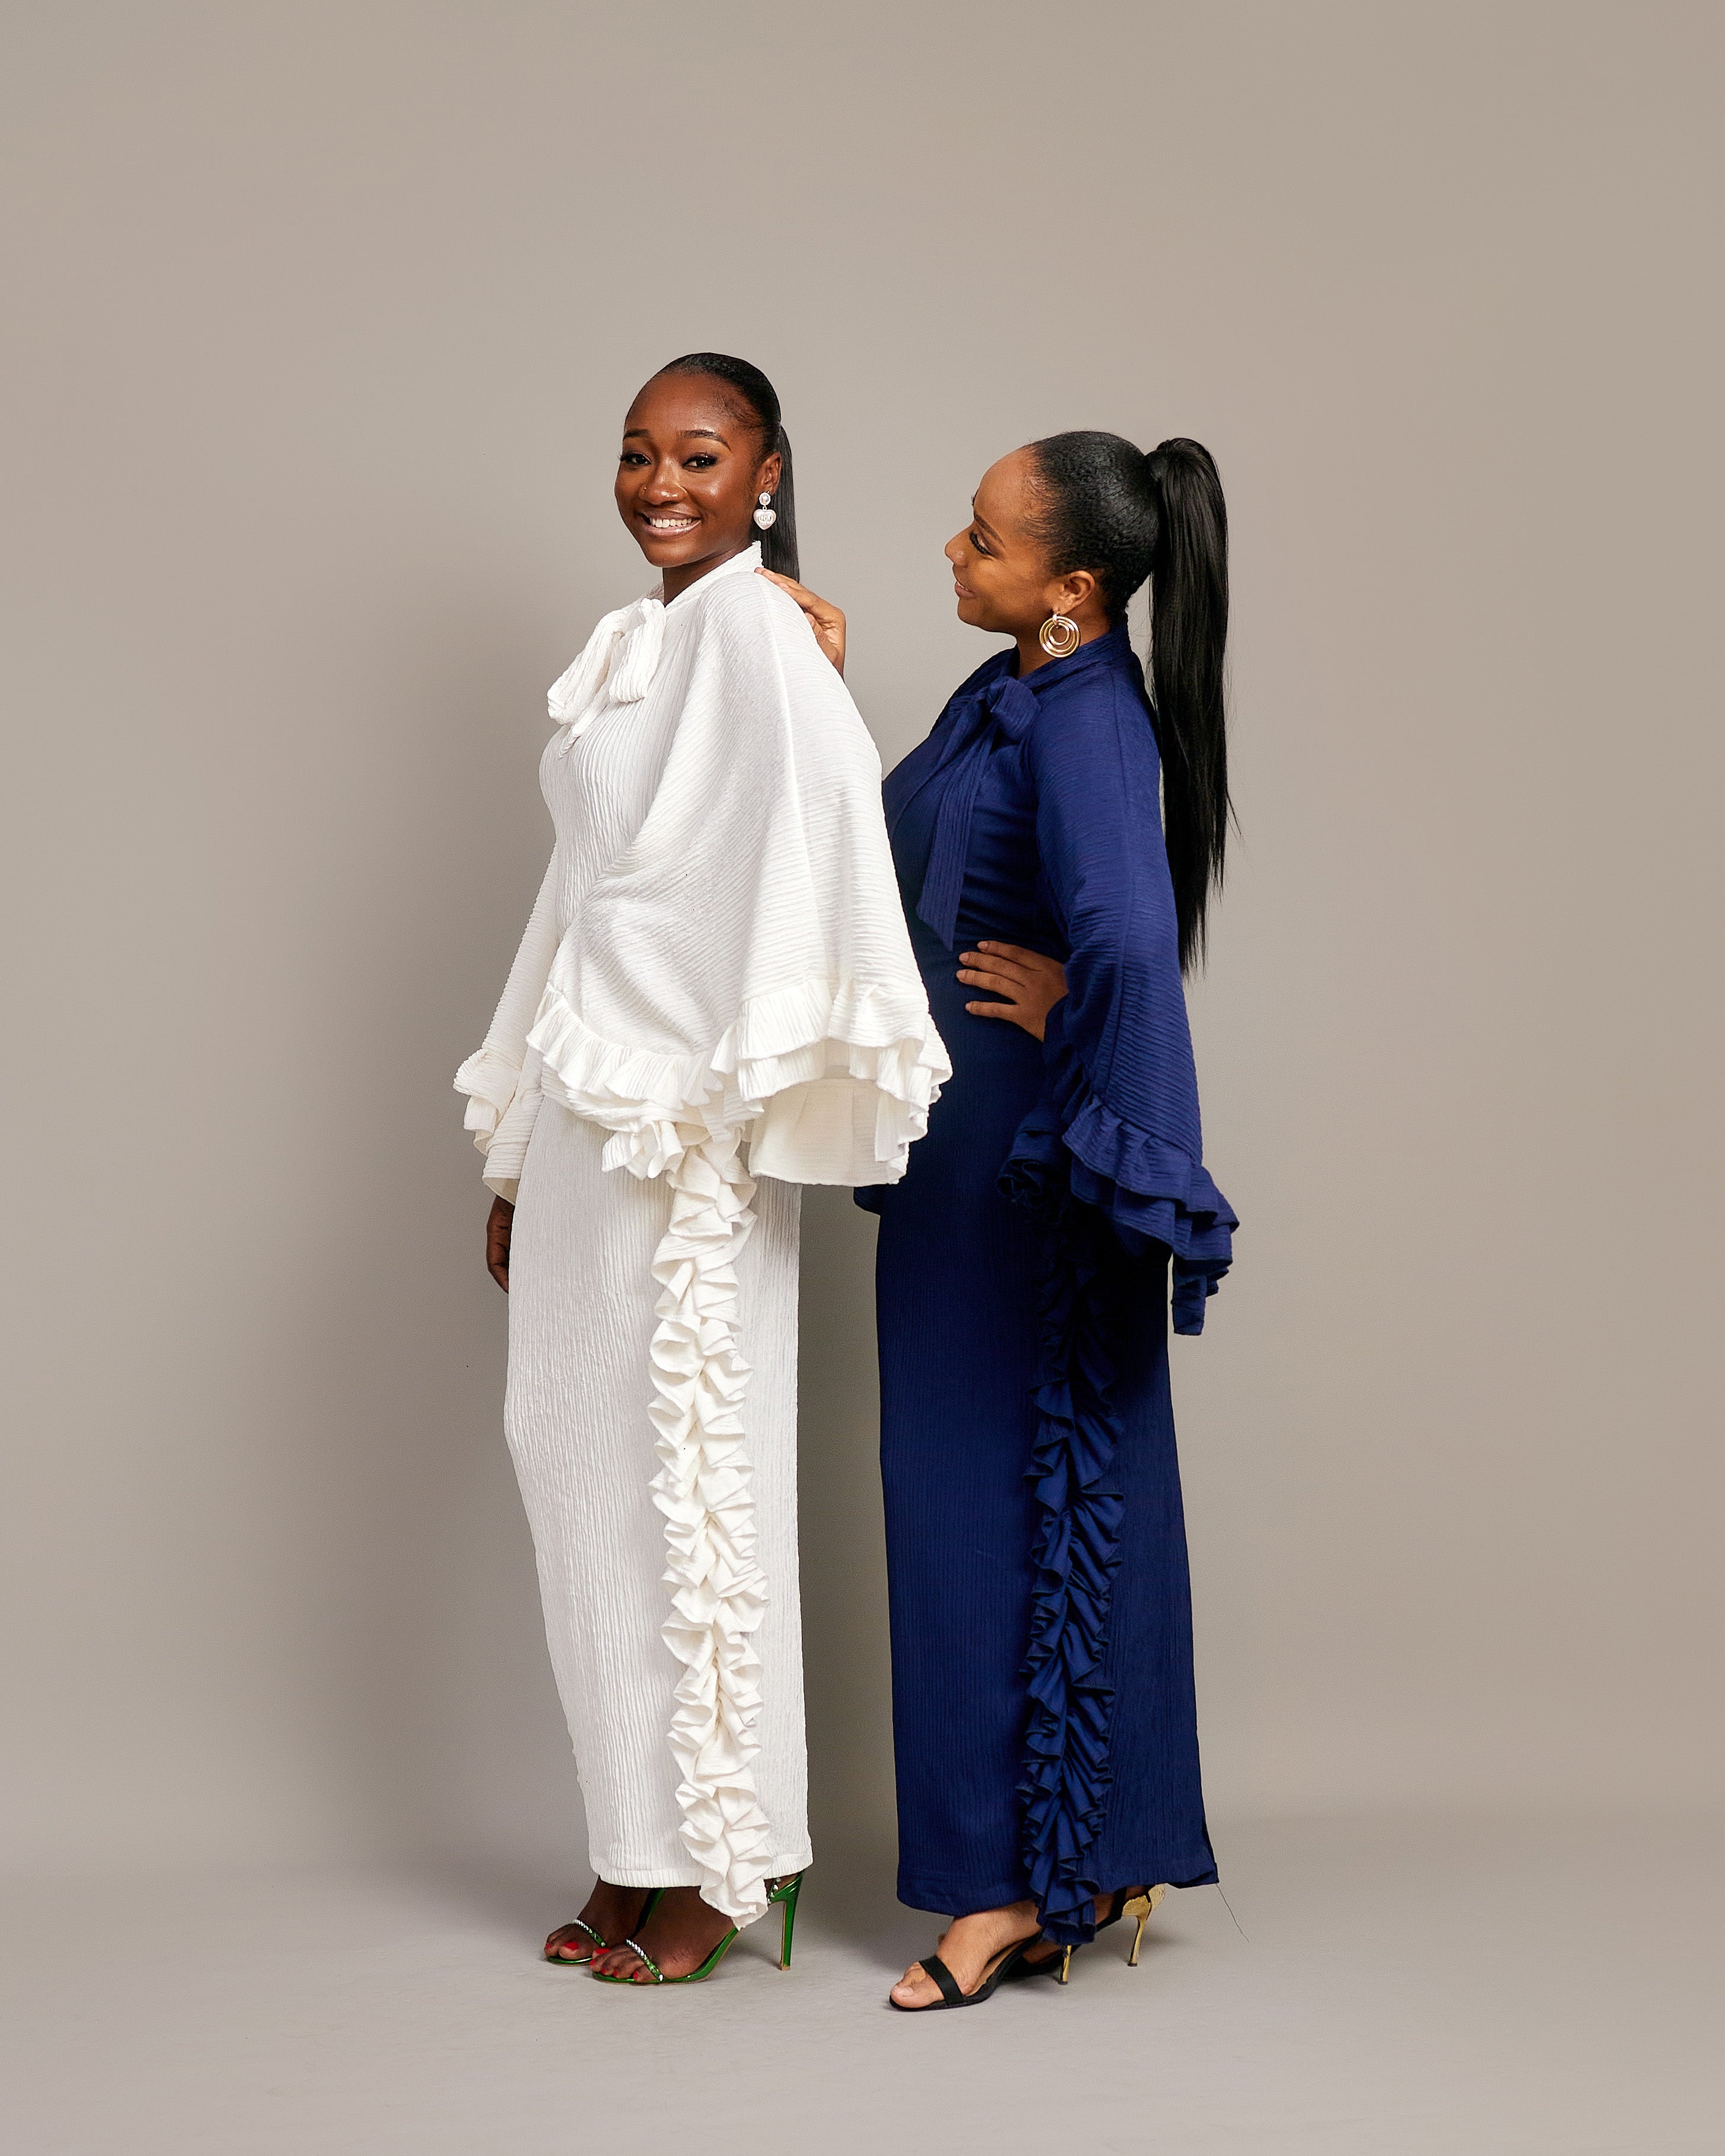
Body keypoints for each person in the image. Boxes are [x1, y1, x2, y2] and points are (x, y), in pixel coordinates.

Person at [455, 354, 946, 1987]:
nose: (662, 485)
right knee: (581, 1476)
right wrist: (517, 1150)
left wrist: (737, 1093)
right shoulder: (641, 641)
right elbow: (580, 896)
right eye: (637, 455)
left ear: (766, 473)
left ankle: (725, 1860)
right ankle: (634, 1841)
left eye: (700, 456)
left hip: (686, 1138)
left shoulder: (757, 632)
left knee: (692, 1485)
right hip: (588, 1118)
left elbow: (817, 844)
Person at [781, 431, 1238, 2010]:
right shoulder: (1013, 694)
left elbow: (1125, 939)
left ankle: (1005, 1892)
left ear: (1073, 588)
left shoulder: (1089, 720)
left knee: (981, 1502)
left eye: (984, 539)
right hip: (962, 1158)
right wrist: (823, 695)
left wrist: (1072, 1029)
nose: (954, 553)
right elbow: (899, 859)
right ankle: (1075, 1861)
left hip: (1021, 1172)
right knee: (972, 1496)